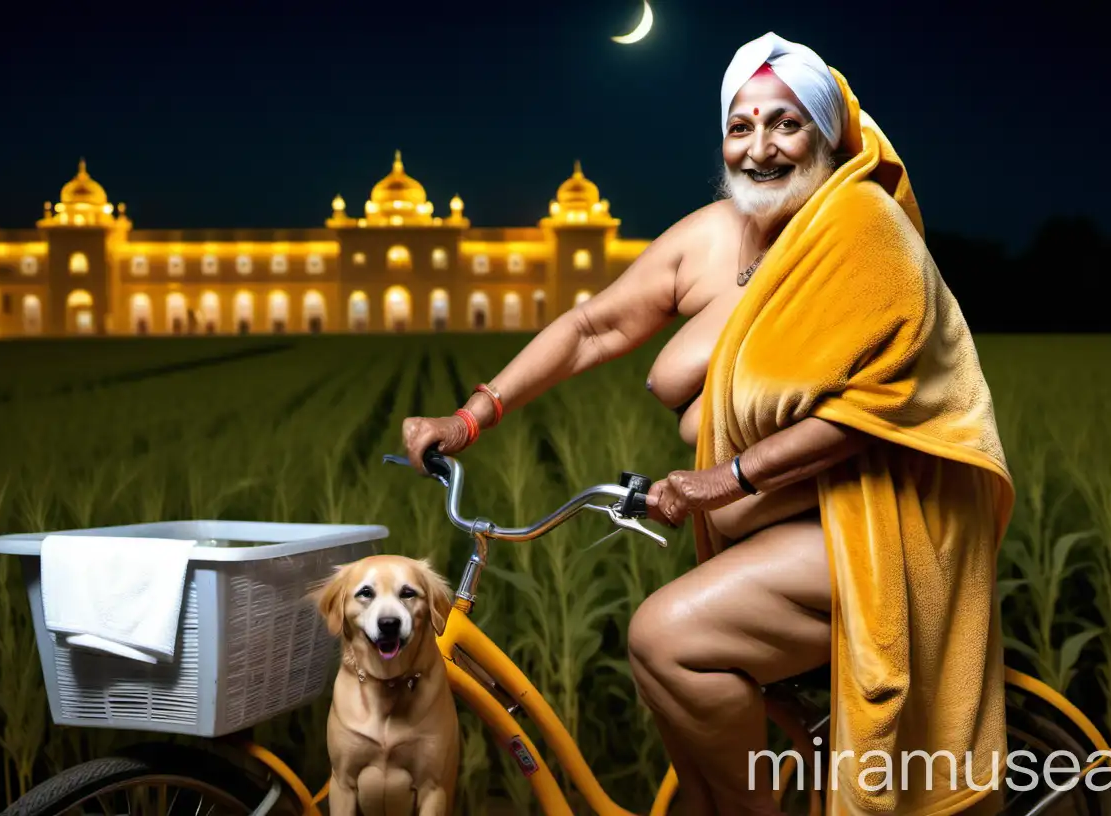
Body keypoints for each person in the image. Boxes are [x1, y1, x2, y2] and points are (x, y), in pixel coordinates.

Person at [400, 32, 1014, 816]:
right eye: (741, 125)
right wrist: (470, 416)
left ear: (827, 133)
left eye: (786, 124)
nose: (760, 147)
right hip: (773, 519)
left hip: (874, 516)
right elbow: (594, 327)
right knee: (689, 740)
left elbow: (872, 412)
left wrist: (721, 479)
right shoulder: (714, 233)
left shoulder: (862, 229)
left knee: (667, 638)